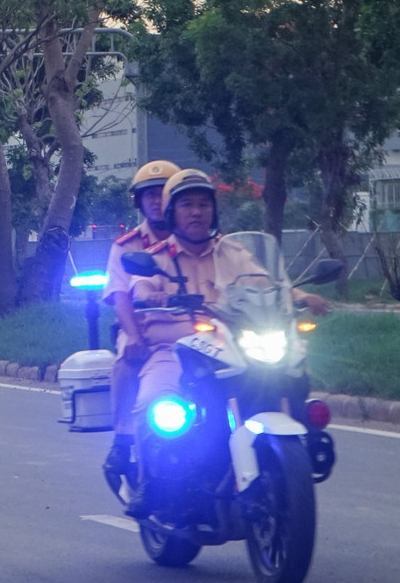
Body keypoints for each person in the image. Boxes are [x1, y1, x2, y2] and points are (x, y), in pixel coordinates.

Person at [123, 168, 330, 518]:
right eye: (187, 204)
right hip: (175, 348)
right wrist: (155, 296)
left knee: (292, 369)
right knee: (156, 405)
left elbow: (269, 284)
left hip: (232, 343)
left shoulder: (233, 252)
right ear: (172, 212)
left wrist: (303, 294)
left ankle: (300, 444)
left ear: (213, 211)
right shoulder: (158, 258)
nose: (196, 212)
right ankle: (151, 483)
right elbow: (139, 289)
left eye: (203, 204)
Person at [99, 160, 179, 493]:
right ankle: (122, 439)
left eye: (163, 193)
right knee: (127, 358)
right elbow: (120, 297)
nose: (157, 200)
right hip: (143, 328)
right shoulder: (126, 245)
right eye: (149, 195)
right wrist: (133, 335)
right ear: (139, 202)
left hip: (195, 331)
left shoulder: (195, 239)